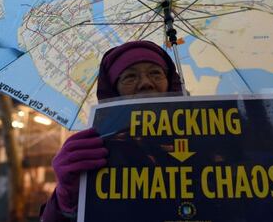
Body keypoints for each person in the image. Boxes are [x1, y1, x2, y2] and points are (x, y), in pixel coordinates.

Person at [40, 41, 182, 222]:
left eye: (155, 73)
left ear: (171, 82)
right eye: (130, 77)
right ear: (114, 91)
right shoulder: (94, 149)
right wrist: (67, 199)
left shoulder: (207, 134)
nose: (146, 83)